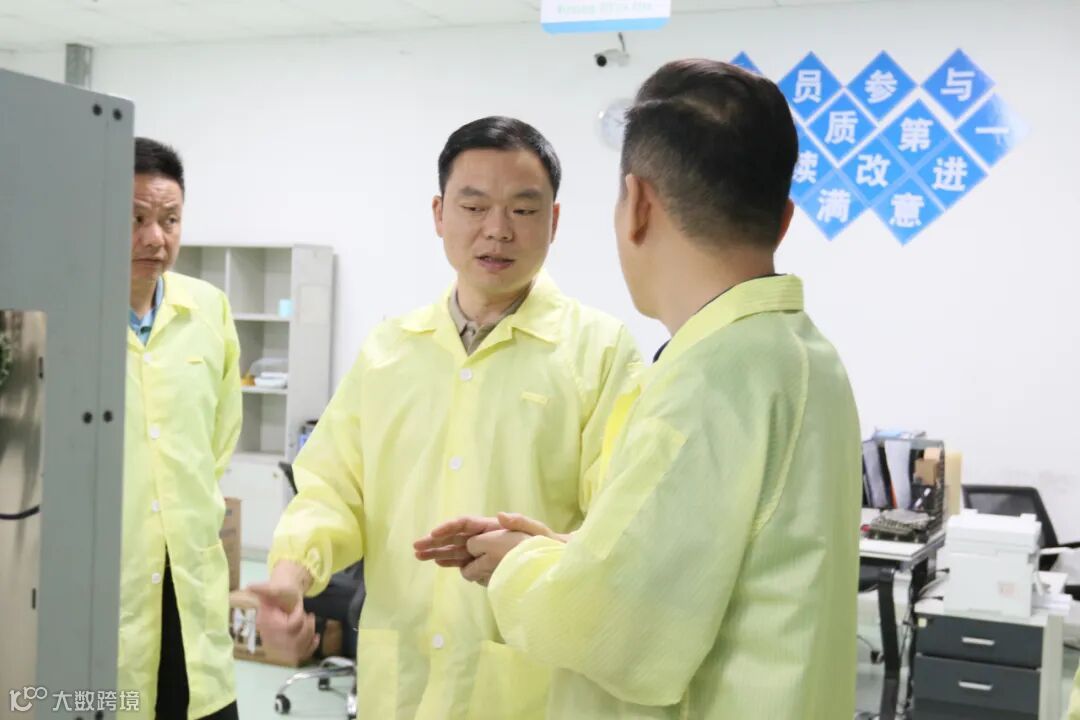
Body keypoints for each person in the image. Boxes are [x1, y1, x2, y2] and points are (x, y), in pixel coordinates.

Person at [417, 60, 863, 719]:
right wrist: (566, 554)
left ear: (639, 205)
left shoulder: (709, 380)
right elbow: (699, 571)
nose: (498, 229)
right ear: (784, 219)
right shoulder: (802, 356)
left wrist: (514, 563)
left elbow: (607, 630)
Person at [250, 116, 641, 719]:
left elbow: (621, 523)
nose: (497, 230)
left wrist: (538, 552)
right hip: (400, 682)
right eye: (474, 206)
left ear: (554, 221)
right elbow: (332, 490)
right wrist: (290, 574)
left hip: (531, 688)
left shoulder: (601, 352)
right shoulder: (389, 351)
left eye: (523, 210)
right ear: (439, 213)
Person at [118, 138, 242, 719]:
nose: (156, 238)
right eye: (135, 220)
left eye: (170, 220)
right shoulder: (61, 315)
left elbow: (220, 435)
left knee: (201, 702)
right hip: (109, 578)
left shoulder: (209, 308)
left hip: (189, 568)